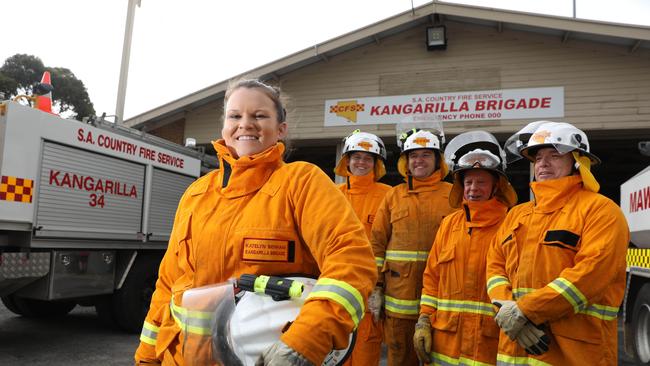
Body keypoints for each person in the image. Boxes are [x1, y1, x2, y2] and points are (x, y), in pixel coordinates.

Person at [134, 79, 377, 366]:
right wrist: (147, 356)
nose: (245, 124)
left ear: (281, 129)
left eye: (259, 116)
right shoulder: (196, 194)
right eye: (235, 116)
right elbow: (167, 285)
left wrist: (305, 342)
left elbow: (351, 262)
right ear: (224, 126)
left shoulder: (301, 182)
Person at [486, 121, 629, 365]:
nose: (543, 163)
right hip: (515, 347)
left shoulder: (601, 211)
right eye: (538, 157)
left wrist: (524, 312)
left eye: (554, 155)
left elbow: (590, 275)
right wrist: (506, 308)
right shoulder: (517, 214)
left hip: (575, 352)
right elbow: (494, 266)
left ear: (577, 162)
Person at [413, 131, 518, 365]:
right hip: (445, 344)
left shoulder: (511, 225)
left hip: (490, 343)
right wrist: (424, 319)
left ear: (496, 186)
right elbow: (432, 277)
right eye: (468, 182)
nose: (473, 188)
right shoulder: (450, 224)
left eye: (481, 182)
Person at [369, 127, 455, 366]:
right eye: (413, 155)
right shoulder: (394, 196)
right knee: (399, 359)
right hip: (399, 301)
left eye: (426, 154)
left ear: (438, 160)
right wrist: (375, 285)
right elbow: (377, 241)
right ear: (406, 162)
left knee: (437, 359)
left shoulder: (454, 195)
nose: (419, 160)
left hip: (442, 298)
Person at [334, 130, 392, 366]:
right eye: (356, 157)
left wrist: (382, 285)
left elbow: (395, 242)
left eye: (368, 158)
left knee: (366, 349)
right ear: (346, 160)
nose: (361, 162)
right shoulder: (333, 196)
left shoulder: (388, 196)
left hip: (371, 289)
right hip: (336, 284)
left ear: (376, 164)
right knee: (336, 349)